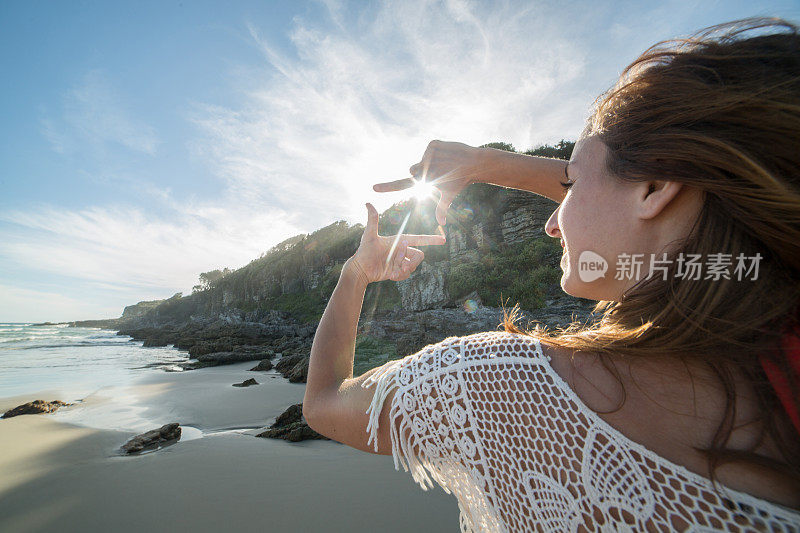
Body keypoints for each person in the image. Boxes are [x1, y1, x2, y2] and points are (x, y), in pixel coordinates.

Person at [302, 16, 800, 532]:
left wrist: (355, 274)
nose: (551, 223)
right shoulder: (782, 374)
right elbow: (623, 205)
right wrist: (481, 163)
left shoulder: (501, 385)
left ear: (656, 185)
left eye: (571, 181)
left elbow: (323, 403)